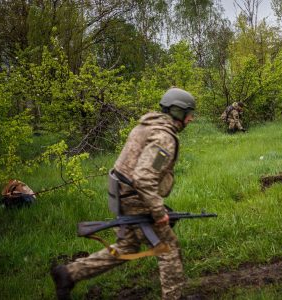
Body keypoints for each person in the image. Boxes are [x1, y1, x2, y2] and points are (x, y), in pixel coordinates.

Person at [51, 88, 196, 300]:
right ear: (177, 112)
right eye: (189, 113)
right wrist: (158, 211)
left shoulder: (147, 126)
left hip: (124, 195)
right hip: (137, 199)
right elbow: (145, 177)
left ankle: (69, 274)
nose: (191, 119)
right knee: (168, 249)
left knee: (126, 246)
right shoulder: (163, 137)